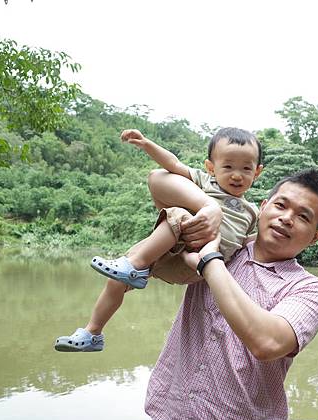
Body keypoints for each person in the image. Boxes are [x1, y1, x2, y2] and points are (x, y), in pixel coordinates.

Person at [145, 169, 318, 420]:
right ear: (263, 208)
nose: (286, 218)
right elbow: (158, 180)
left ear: (316, 236)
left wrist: (210, 262)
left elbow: (267, 342)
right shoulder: (224, 241)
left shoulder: (309, 289)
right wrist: (208, 207)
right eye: (280, 205)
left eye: (303, 216)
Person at [54, 127, 263, 352]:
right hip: (171, 245)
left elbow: (245, 242)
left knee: (178, 215)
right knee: (116, 279)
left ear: (257, 172)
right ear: (211, 167)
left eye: (246, 168)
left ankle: (135, 266)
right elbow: (171, 166)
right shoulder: (204, 182)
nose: (236, 175)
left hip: (199, 263)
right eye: (228, 166)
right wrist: (146, 144)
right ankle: (92, 332)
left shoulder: (251, 211)